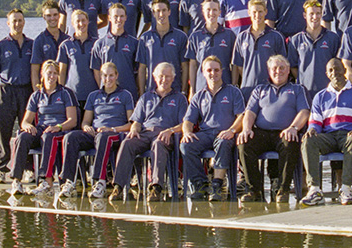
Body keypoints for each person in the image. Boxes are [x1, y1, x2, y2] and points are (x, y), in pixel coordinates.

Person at [109, 63, 188, 202]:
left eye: (168, 76)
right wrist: (134, 129)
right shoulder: (146, 97)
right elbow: (137, 121)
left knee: (158, 144)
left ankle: (156, 188)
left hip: (166, 134)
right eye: (161, 76)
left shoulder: (180, 98)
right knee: (127, 143)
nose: (164, 80)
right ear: (155, 78)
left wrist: (170, 131)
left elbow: (185, 124)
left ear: (174, 78)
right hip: (145, 133)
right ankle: (118, 187)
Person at [300, 59, 352, 206]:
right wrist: (312, 130)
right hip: (328, 136)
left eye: (338, 69)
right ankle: (314, 190)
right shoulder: (320, 96)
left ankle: (345, 189)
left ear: (344, 70)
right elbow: (315, 122)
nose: (335, 73)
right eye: (331, 70)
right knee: (308, 140)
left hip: (348, 134)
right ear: (327, 74)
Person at [237, 55, 310, 203]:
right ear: (269, 71)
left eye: (282, 68)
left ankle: (282, 190)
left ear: (288, 70)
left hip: (285, 132)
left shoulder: (297, 89)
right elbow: (250, 112)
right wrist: (246, 129)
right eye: (274, 68)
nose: (278, 71)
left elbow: (304, 112)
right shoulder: (260, 89)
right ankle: (254, 190)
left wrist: (293, 128)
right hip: (262, 132)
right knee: (244, 143)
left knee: (290, 143)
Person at [57, 62, 135, 199]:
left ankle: (100, 182)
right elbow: (86, 121)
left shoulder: (125, 95)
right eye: (105, 75)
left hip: (116, 134)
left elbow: (131, 124)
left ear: (117, 76)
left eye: (111, 75)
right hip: (96, 133)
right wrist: (86, 127)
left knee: (103, 136)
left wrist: (112, 129)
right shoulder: (93, 95)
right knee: (71, 137)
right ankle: (68, 181)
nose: (108, 79)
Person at [180, 56, 245, 201]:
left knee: (222, 142)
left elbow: (242, 116)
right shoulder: (199, 96)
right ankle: (200, 183)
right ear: (203, 72)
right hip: (206, 134)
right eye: (209, 70)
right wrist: (187, 132)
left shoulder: (233, 92)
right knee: (186, 145)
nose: (213, 73)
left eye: (216, 70)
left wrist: (232, 130)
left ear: (221, 71)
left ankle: (217, 184)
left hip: (226, 133)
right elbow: (188, 120)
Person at [9, 61, 77, 195]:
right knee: (22, 137)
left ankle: (46, 181)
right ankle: (16, 180)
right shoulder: (36, 95)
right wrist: (28, 126)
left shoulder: (65, 93)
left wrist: (58, 127)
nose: (52, 76)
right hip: (41, 128)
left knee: (48, 136)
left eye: (54, 73)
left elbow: (72, 120)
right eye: (49, 73)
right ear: (42, 74)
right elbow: (25, 121)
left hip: (59, 130)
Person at [0, 9, 34, 184]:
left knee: (28, 130)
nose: (17, 23)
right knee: (3, 131)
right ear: (8, 23)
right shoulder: (1, 46)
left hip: (26, 91)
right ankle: (1, 169)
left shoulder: (32, 44)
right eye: (14, 21)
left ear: (24, 22)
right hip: (6, 91)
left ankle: (28, 168)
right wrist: (2, 87)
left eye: (20, 20)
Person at [232, 0, 286, 101]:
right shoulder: (242, 37)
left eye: (260, 11)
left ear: (266, 12)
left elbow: (282, 65)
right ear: (249, 13)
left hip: (270, 90)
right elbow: (238, 65)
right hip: (247, 90)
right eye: (254, 12)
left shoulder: (276, 36)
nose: (257, 15)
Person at [287, 0, 341, 100]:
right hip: (304, 93)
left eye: (318, 13)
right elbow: (293, 67)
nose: (315, 17)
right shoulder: (295, 40)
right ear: (305, 15)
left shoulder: (333, 38)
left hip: (328, 93)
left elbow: (337, 65)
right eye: (311, 14)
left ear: (321, 15)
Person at [136, 0, 188, 95]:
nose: (161, 14)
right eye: (157, 11)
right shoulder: (145, 38)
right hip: (152, 91)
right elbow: (142, 68)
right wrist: (142, 94)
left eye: (164, 10)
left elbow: (185, 66)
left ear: (169, 12)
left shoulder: (180, 37)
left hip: (175, 91)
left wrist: (184, 91)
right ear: (153, 13)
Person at [91, 3, 140, 102]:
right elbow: (96, 70)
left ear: (126, 18)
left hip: (129, 93)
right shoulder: (100, 43)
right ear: (109, 18)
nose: (119, 19)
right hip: (107, 95)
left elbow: (139, 70)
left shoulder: (134, 43)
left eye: (122, 16)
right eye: (115, 16)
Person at [185, 0, 236, 94]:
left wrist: (233, 85)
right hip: (202, 87)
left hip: (225, 87)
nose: (211, 13)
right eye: (208, 10)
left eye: (214, 10)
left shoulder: (229, 35)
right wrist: (192, 90)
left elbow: (234, 65)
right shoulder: (195, 36)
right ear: (203, 12)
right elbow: (193, 65)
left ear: (219, 12)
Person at [57, 10, 99, 109]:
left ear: (88, 21)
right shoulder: (66, 45)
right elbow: (62, 72)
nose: (81, 24)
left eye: (83, 20)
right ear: (72, 24)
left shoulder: (97, 43)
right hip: (72, 95)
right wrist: (60, 93)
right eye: (77, 21)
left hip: (93, 94)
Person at [30, 0, 70, 91]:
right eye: (49, 15)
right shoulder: (39, 40)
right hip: (47, 89)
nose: (52, 18)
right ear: (44, 17)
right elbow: (34, 71)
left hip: (66, 88)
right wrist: (38, 94)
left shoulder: (67, 39)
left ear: (59, 15)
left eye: (55, 15)